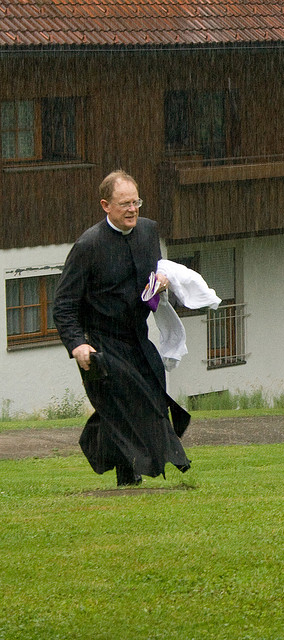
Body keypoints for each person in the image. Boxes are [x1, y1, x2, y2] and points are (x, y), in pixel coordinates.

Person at [53, 170, 191, 486]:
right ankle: (128, 476)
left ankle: (126, 463)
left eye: (136, 202)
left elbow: (152, 280)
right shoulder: (88, 245)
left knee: (154, 395)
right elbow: (63, 304)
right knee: (127, 399)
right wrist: (77, 345)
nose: (132, 209)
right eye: (124, 203)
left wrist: (162, 284)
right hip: (101, 343)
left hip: (137, 338)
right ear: (106, 205)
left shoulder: (148, 231)